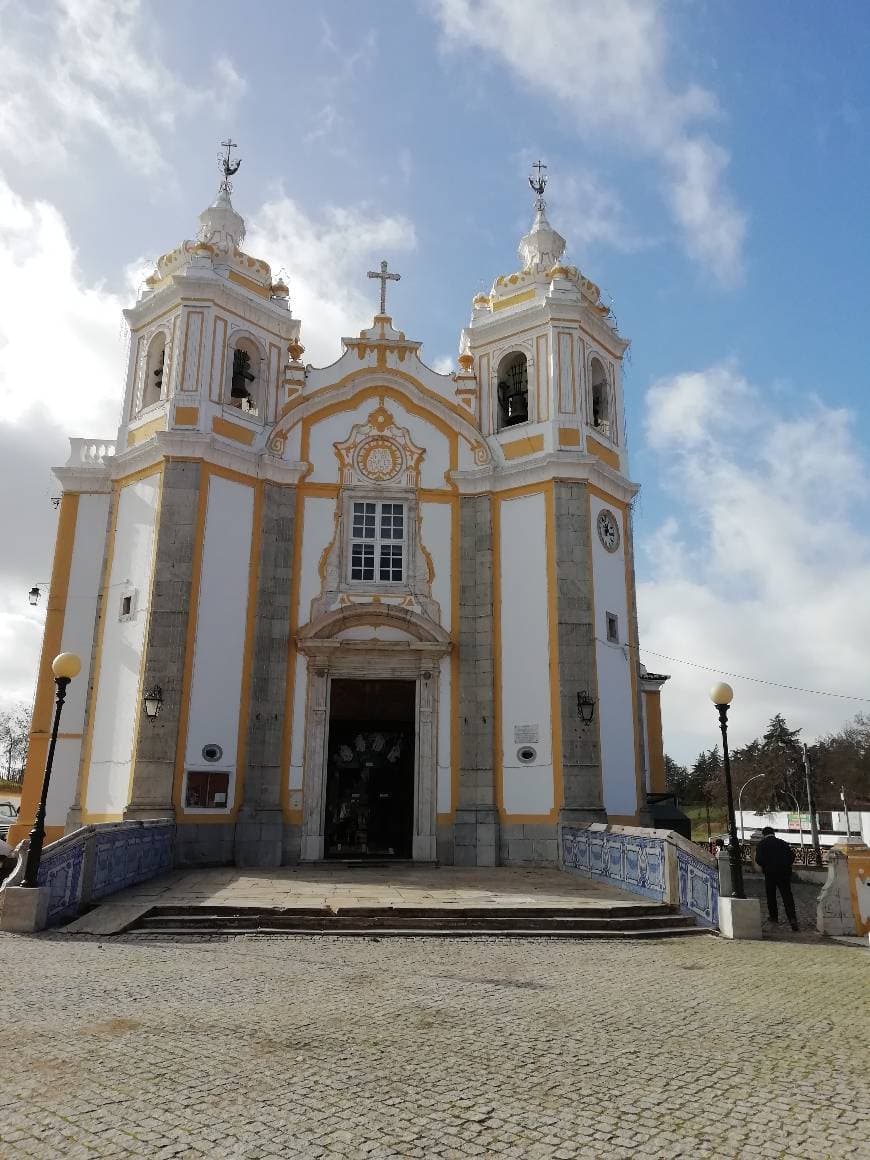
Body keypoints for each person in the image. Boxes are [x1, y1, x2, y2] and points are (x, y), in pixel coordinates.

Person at [755, 826, 799, 930]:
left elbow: (759, 859)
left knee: (771, 896)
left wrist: (766, 865)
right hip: (784, 873)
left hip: (770, 874)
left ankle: (774, 917)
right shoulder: (782, 843)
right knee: (787, 895)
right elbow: (792, 856)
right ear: (773, 833)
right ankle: (792, 918)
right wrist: (785, 865)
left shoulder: (762, 844)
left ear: (763, 834)